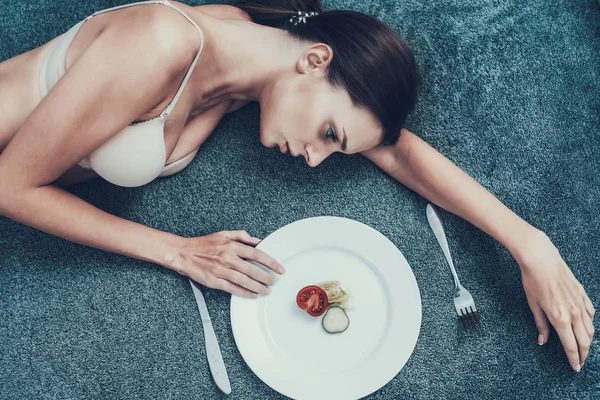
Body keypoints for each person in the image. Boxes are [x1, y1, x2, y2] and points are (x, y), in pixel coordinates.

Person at [0, 0, 593, 372]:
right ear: (314, 59)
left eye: (334, 147)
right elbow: (11, 187)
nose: (314, 161)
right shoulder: (162, 39)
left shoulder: (243, 59)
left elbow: (396, 150)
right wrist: (177, 250)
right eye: (329, 133)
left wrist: (528, 243)